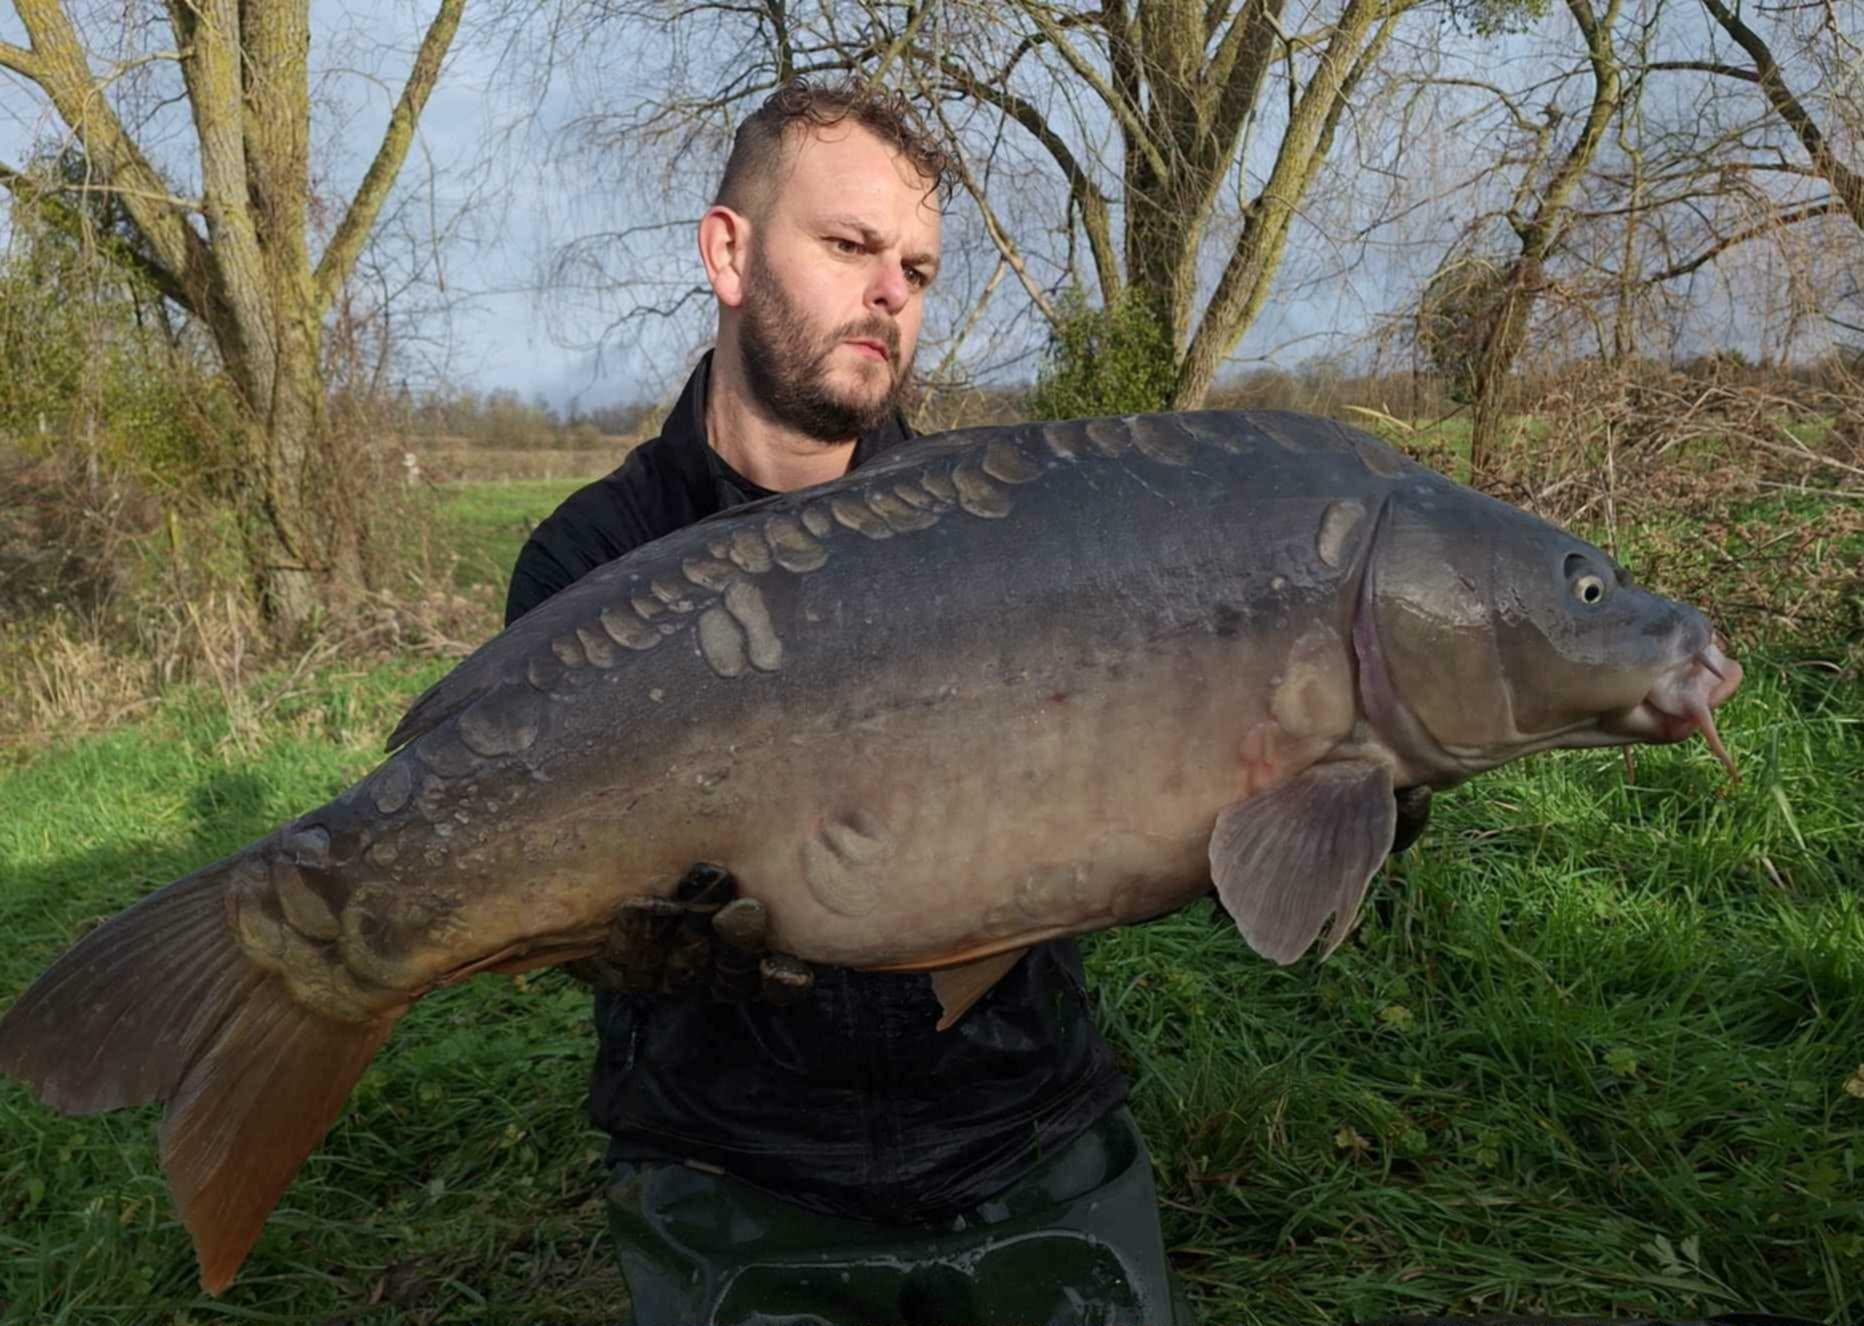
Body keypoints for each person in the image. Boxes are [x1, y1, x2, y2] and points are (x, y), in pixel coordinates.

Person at [503, 78, 1192, 1325]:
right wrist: (618, 953)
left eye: (918, 271)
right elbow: (538, 872)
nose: (891, 295)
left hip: (1020, 1123)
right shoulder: (589, 562)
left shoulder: (1014, 529)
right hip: (733, 1157)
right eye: (851, 248)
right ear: (729, 251)